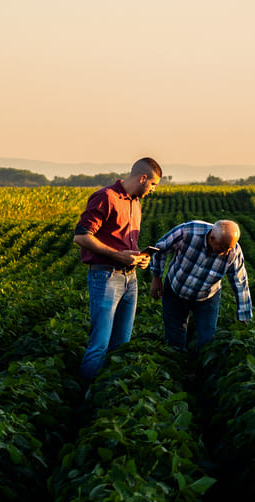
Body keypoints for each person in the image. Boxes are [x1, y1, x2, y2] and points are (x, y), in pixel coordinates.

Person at [73, 157, 163, 380]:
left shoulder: (135, 203)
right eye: (153, 184)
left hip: (130, 279)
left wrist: (141, 258)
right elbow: (81, 237)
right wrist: (117, 256)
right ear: (143, 178)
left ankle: (110, 393)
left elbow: (124, 245)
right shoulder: (106, 197)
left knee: (122, 344)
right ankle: (87, 401)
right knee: (100, 344)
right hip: (105, 276)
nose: (153, 190)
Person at [148, 219, 251, 352]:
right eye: (222, 248)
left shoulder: (234, 251)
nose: (226, 252)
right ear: (212, 238)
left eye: (229, 248)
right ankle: (179, 365)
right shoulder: (188, 231)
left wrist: (243, 316)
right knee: (174, 338)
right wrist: (157, 278)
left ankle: (201, 368)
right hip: (175, 290)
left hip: (207, 297)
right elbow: (160, 249)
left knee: (207, 339)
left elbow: (240, 282)